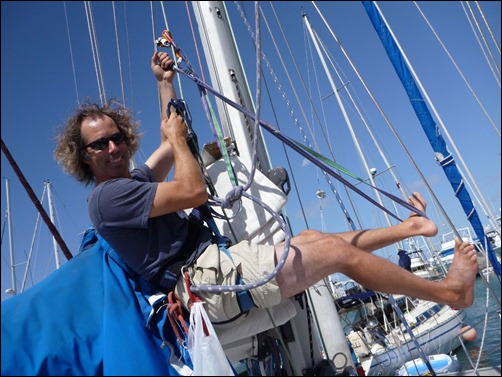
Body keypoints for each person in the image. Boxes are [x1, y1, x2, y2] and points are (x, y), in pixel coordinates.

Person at [54, 51, 478, 326]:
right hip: (204, 285)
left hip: (217, 263)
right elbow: (193, 188)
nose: (113, 147)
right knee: (333, 254)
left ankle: (410, 228)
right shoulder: (107, 198)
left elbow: (170, 141)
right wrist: (178, 142)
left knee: (315, 239)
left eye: (117, 138)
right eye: (99, 144)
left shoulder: (132, 181)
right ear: (84, 155)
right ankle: (450, 293)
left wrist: (164, 80)